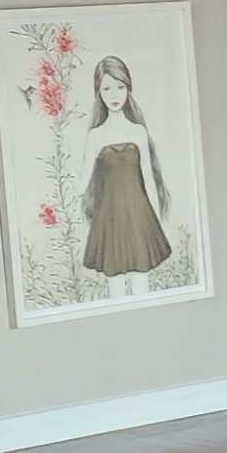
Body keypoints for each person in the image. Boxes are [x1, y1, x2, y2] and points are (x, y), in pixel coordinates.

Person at [76, 53, 176, 294]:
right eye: (107, 88)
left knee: (142, 284)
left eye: (120, 87)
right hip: (109, 220)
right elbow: (82, 183)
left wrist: (158, 223)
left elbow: (149, 179)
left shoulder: (138, 131)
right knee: (116, 287)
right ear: (98, 92)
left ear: (128, 88)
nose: (114, 95)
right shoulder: (95, 136)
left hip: (139, 217)